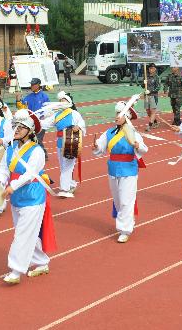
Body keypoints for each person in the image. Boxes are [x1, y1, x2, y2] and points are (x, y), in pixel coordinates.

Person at [0, 109, 57, 284]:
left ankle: (16, 270)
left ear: (30, 131)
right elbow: (4, 169)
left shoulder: (37, 151)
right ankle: (41, 262)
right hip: (17, 196)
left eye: (21, 126)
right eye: (15, 126)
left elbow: (29, 174)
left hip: (33, 197)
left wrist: (12, 187)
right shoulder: (10, 148)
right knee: (25, 232)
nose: (16, 129)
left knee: (22, 235)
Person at [93, 100, 148, 241]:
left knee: (126, 201)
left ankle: (125, 229)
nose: (117, 116)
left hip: (128, 170)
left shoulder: (133, 133)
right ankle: (126, 222)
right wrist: (96, 146)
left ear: (127, 116)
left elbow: (144, 149)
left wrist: (137, 146)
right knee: (118, 201)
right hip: (112, 169)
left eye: (120, 114)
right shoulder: (109, 132)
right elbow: (100, 147)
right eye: (116, 113)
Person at [41, 91, 86, 198]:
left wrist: (78, 127)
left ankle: (64, 189)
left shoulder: (74, 113)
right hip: (60, 143)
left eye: (64, 100)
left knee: (67, 166)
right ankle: (71, 184)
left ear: (69, 102)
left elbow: (82, 123)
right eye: (61, 101)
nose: (62, 102)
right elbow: (45, 124)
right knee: (63, 166)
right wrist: (35, 122)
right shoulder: (57, 115)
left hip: (71, 142)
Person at [16, 78, 50, 143]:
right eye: (31, 84)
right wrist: (18, 100)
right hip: (30, 124)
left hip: (40, 124)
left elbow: (48, 110)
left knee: (38, 141)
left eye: (33, 84)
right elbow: (22, 109)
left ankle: (42, 153)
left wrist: (44, 118)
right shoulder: (28, 97)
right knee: (31, 142)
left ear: (38, 85)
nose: (31, 86)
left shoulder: (44, 97)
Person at [143, 64, 160, 130]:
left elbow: (158, 87)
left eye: (152, 68)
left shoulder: (157, 77)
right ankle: (155, 121)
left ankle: (149, 126)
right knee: (148, 111)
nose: (151, 69)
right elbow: (142, 86)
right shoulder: (146, 76)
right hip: (146, 96)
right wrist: (143, 83)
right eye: (150, 68)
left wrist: (150, 91)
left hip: (153, 96)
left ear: (155, 69)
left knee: (153, 111)